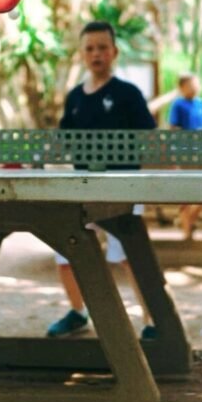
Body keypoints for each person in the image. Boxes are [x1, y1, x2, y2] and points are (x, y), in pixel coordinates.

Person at [46, 20, 157, 340]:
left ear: (114, 52)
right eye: (90, 49)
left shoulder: (128, 94)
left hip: (123, 186)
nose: (96, 54)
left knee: (129, 256)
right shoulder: (75, 98)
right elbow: (64, 141)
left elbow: (148, 139)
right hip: (82, 186)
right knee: (66, 252)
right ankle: (78, 312)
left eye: (102, 48)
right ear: (82, 54)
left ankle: (152, 320)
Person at [168, 72, 202, 238]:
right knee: (186, 191)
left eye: (196, 84)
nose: (195, 87)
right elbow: (173, 128)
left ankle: (189, 220)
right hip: (185, 152)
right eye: (191, 84)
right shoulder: (178, 105)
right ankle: (186, 228)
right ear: (182, 87)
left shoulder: (201, 103)